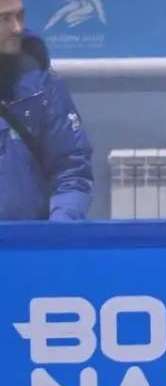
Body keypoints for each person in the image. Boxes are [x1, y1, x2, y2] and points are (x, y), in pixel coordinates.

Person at [0, 0, 92, 221]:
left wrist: (57, 232)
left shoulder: (40, 84)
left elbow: (71, 171)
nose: (17, 28)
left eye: (20, 16)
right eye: (4, 19)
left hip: (29, 247)